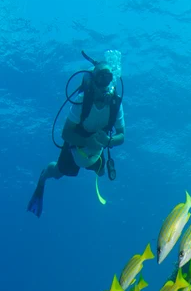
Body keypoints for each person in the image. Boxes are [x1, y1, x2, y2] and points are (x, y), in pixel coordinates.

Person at [27, 58, 125, 217]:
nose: (104, 86)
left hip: (96, 152)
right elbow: (65, 133)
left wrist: (109, 141)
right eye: (100, 79)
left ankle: (92, 165)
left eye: (107, 79)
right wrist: (87, 141)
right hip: (75, 147)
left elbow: (121, 136)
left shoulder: (116, 104)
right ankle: (43, 177)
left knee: (101, 172)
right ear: (92, 82)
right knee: (58, 173)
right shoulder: (82, 101)